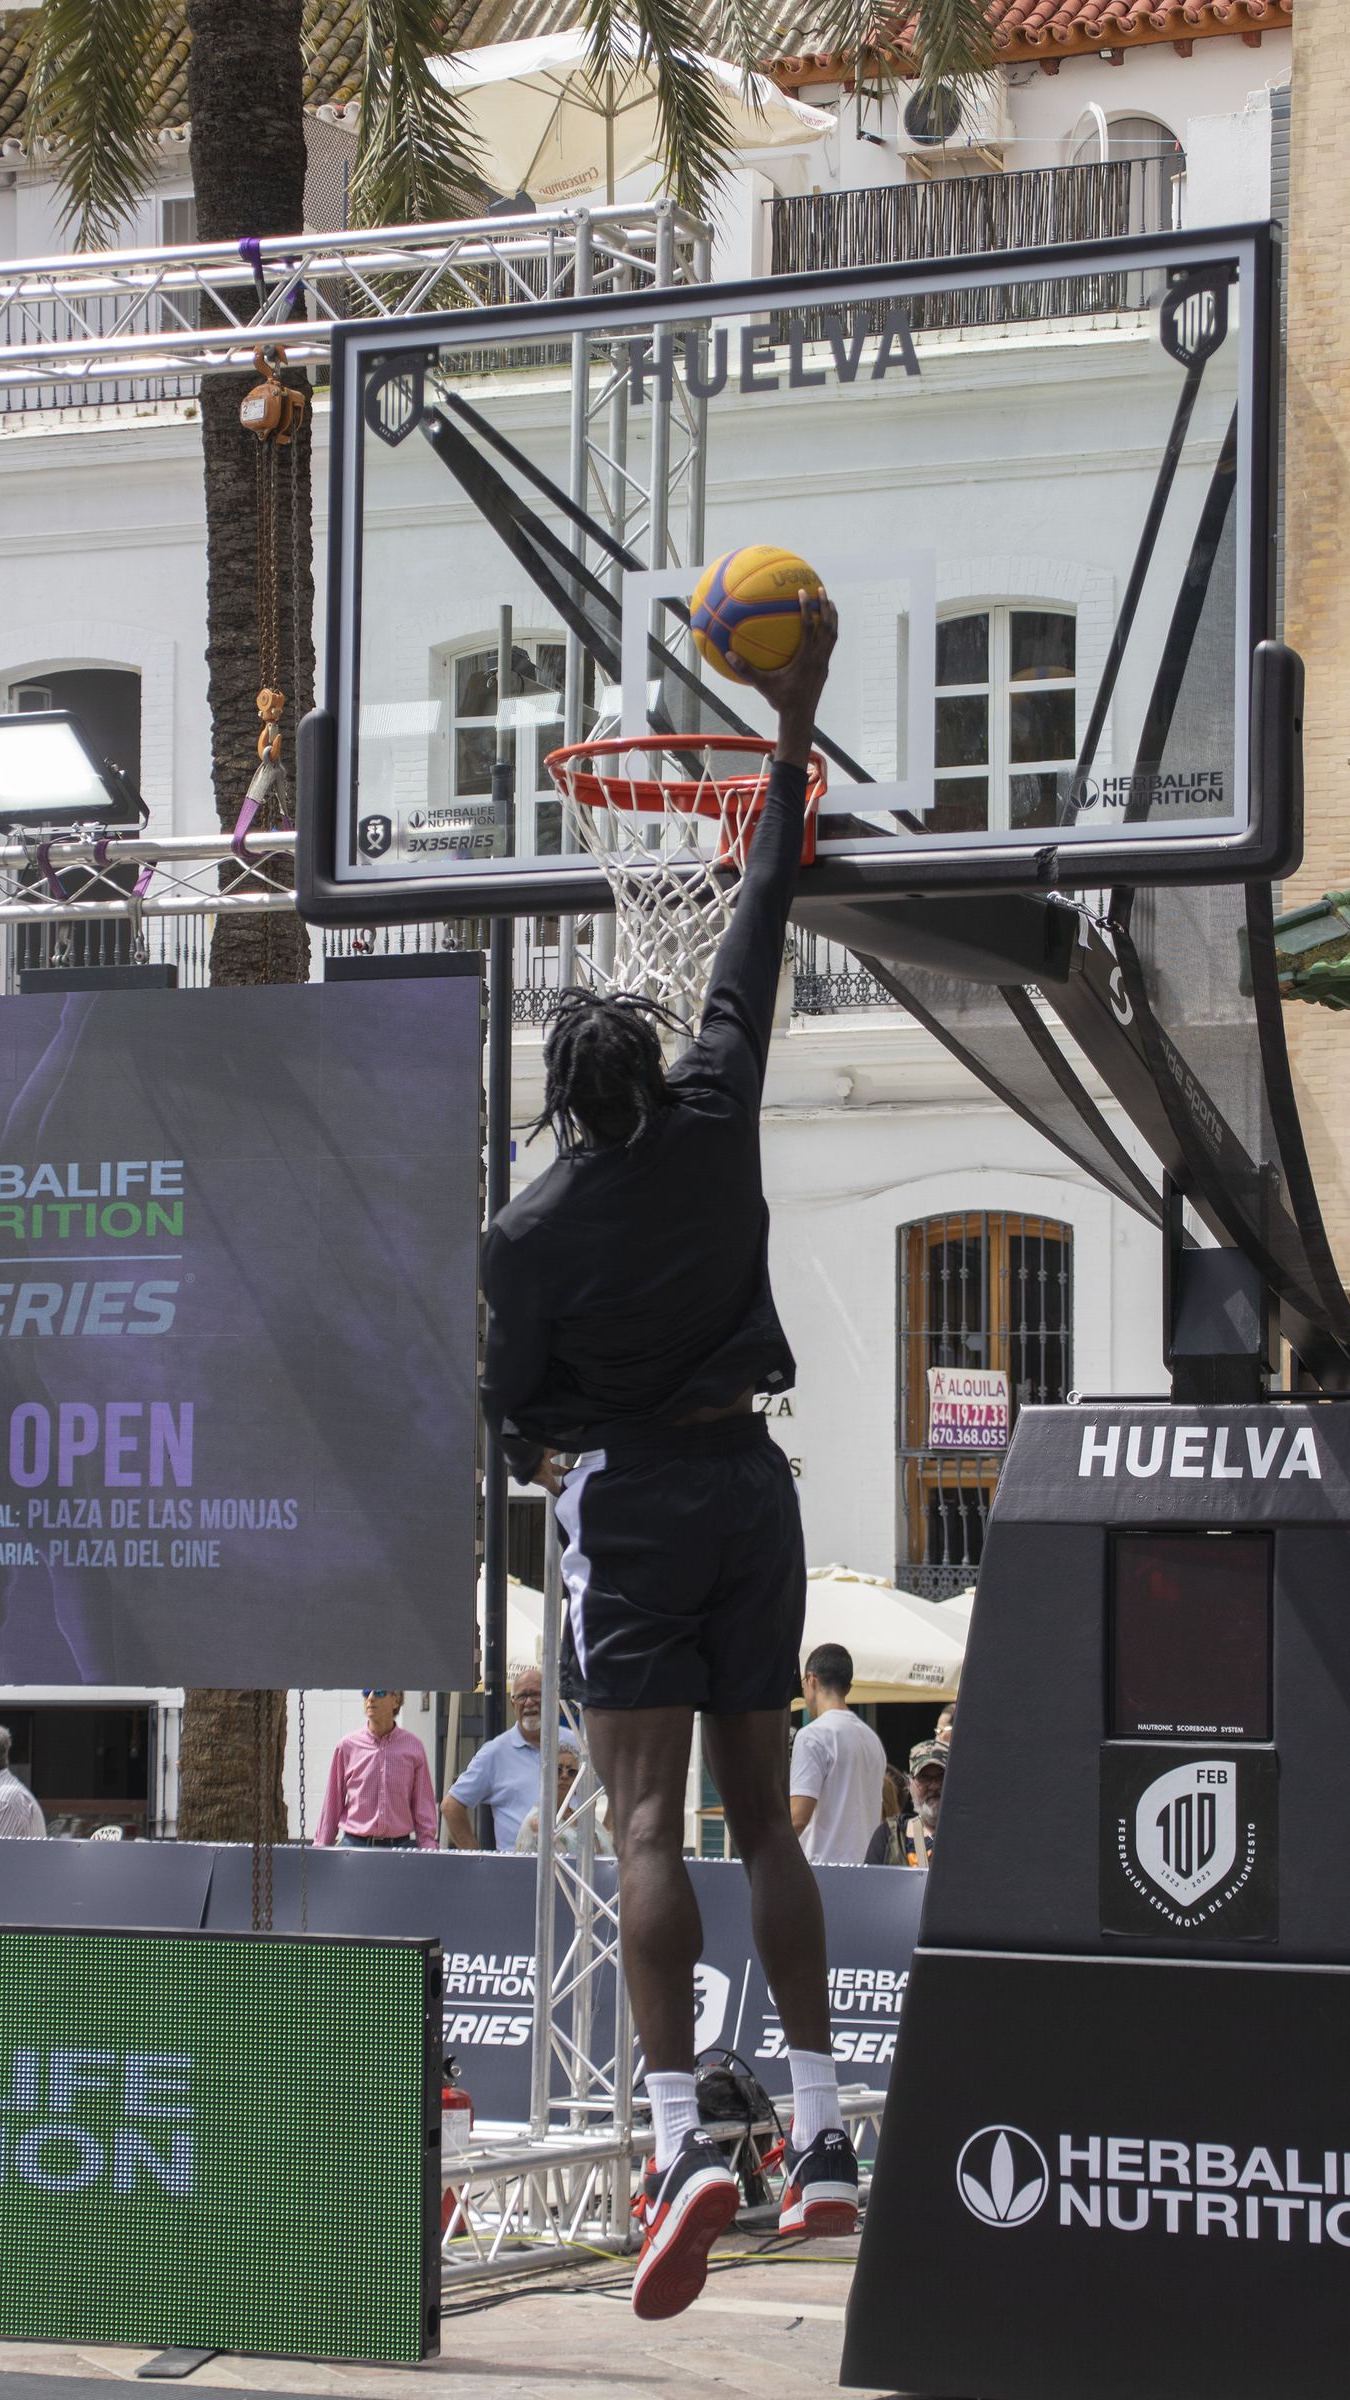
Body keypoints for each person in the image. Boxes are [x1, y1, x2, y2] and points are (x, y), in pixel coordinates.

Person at [481, 596, 858, 2325]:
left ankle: (670, 2138)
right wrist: (793, 725)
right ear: (654, 1070)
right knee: (761, 1812)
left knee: (644, 1819)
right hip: (754, 1484)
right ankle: (823, 2125)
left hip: (630, 1492)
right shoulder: (717, 1114)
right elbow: (761, 913)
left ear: (564, 1101)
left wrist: (567, 1438)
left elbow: (519, 1416)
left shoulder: (530, 1229)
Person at [442, 1667, 566, 1854]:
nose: (529, 1702)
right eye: (522, 1696)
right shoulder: (495, 1752)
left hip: (573, 1870)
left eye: (535, 1694)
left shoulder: (575, 1745)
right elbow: (451, 1806)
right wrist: (477, 1859)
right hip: (517, 1871)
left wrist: (609, 1833)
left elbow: (615, 1788)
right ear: (512, 1704)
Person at [789, 1643, 888, 1866]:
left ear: (811, 1680)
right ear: (848, 1687)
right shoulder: (872, 1740)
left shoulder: (812, 1736)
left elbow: (797, 1818)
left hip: (823, 1871)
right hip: (866, 1871)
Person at [314, 1688, 438, 1850]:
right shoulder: (347, 1746)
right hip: (354, 1848)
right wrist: (320, 1849)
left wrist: (429, 1849)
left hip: (399, 1848)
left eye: (379, 1692)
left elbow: (423, 1804)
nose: (371, 1698)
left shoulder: (414, 1747)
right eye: (366, 1692)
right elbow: (332, 1802)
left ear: (396, 1700)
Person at [515, 1739, 615, 1857]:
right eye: (558, 1770)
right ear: (546, 1775)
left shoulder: (583, 1816)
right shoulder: (538, 1821)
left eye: (572, 1772)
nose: (564, 1776)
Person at [865, 1739, 947, 1868]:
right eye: (924, 1777)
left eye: (941, 1777)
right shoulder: (889, 1836)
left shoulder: (968, 1836)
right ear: (910, 1785)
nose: (934, 1786)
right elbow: (868, 1885)